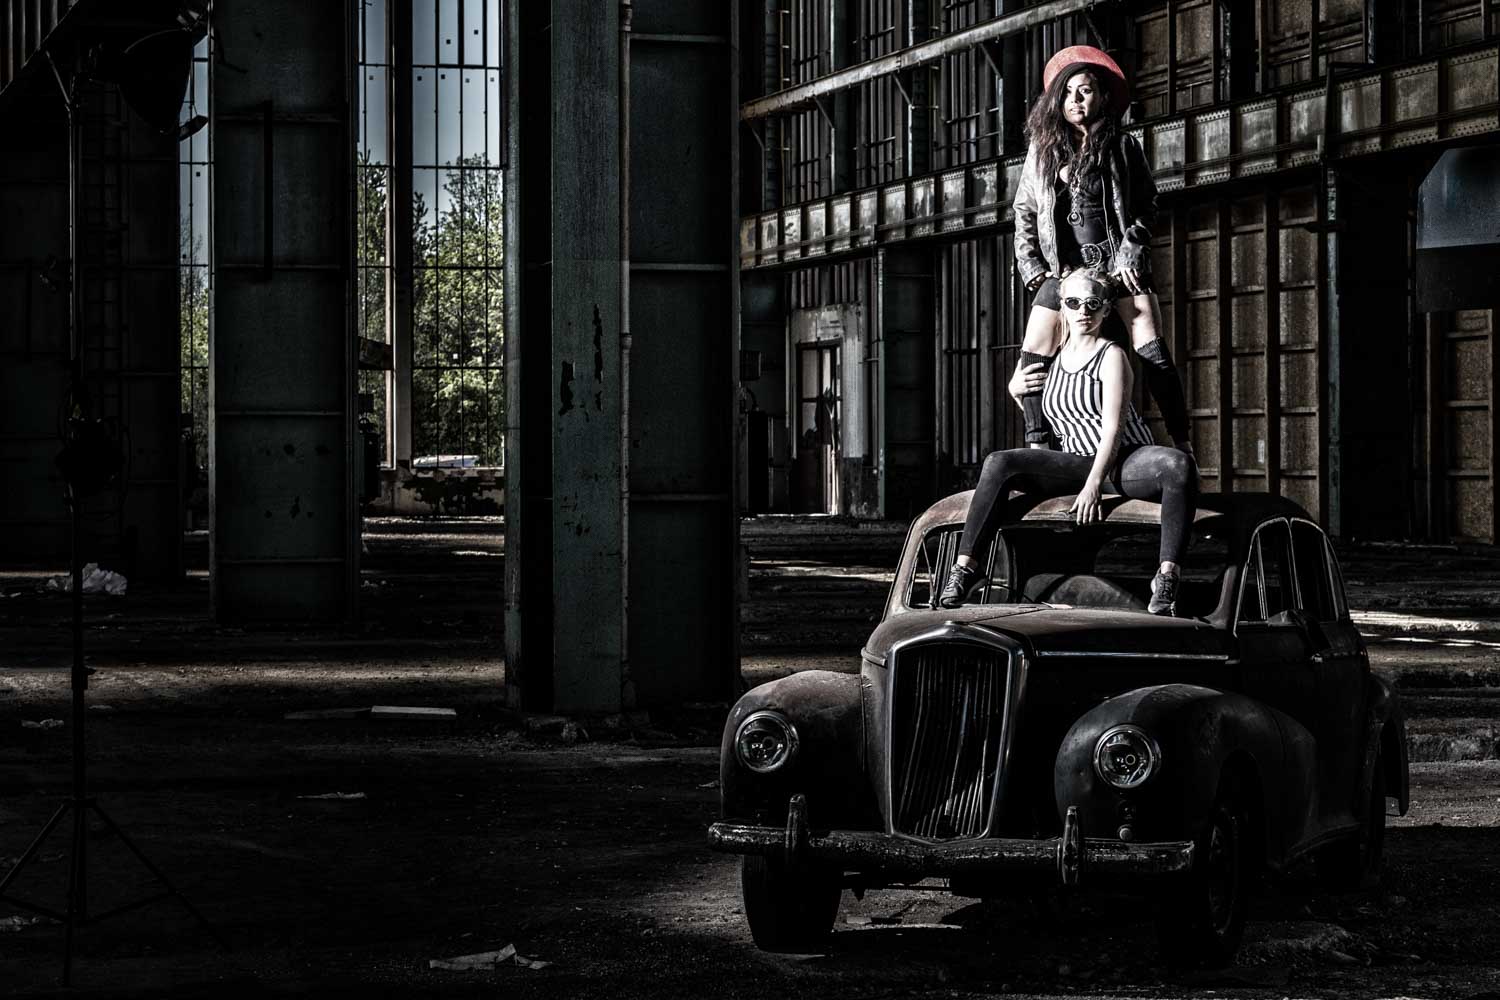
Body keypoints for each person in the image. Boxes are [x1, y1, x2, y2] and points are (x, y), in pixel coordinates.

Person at [938, 269, 1198, 615]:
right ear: (1062, 307)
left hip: (1123, 461)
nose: (1083, 311)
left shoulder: (1112, 356)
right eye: (1074, 303)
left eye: (1093, 304)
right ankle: (967, 568)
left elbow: (1112, 431)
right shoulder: (1053, 359)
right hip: (1074, 460)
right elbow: (1051, 410)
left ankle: (1166, 578)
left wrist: (1092, 487)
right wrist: (1015, 391)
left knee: (1178, 465)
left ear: (1106, 310)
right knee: (998, 462)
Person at [1009, 45, 1191, 456]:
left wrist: (1131, 247)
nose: (1076, 99)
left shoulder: (1124, 147)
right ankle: (1038, 448)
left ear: (1101, 96)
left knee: (1151, 345)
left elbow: (1148, 205)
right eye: (1069, 92)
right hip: (1065, 271)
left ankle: (1183, 442)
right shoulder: (1041, 152)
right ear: (1058, 99)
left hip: (1119, 266)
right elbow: (1024, 211)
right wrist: (1032, 265)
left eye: (1085, 90)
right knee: (1033, 351)